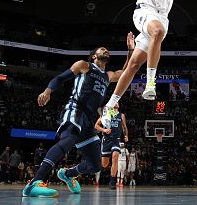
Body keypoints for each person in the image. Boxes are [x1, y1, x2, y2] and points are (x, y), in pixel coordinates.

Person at [22, 33, 135, 198]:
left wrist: (130, 50)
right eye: (103, 49)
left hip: (89, 120)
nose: (107, 51)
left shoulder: (108, 76)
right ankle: (35, 182)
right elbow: (61, 78)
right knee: (68, 141)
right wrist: (48, 90)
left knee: (96, 165)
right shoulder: (84, 66)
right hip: (76, 110)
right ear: (94, 55)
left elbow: (126, 72)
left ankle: (68, 174)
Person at [101, 0, 182, 126]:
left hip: (161, 16)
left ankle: (110, 106)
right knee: (158, 31)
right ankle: (151, 83)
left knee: (134, 64)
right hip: (144, 12)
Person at [95, 103, 128, 189]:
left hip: (116, 139)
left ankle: (112, 181)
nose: (116, 103)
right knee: (104, 164)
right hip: (106, 140)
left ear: (119, 106)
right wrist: (104, 130)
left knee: (115, 156)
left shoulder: (121, 115)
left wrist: (126, 135)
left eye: (118, 102)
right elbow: (96, 125)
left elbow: (124, 128)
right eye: (115, 102)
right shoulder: (106, 114)